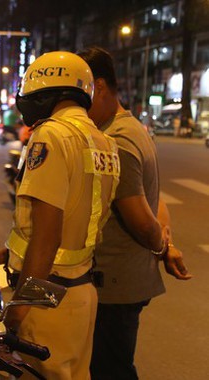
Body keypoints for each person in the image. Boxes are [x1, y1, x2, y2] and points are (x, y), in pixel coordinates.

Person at [0, 51, 120, 379]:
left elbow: (47, 239)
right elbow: (65, 224)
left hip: (46, 297)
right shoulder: (104, 142)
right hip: (82, 294)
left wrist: (17, 312)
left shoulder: (51, 135)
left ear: (45, 93)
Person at [77, 46, 192, 380]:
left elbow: (142, 220)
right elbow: (157, 200)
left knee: (110, 370)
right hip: (124, 281)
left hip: (114, 285)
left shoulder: (116, 140)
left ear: (96, 87)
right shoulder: (132, 128)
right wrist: (166, 247)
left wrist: (159, 244)